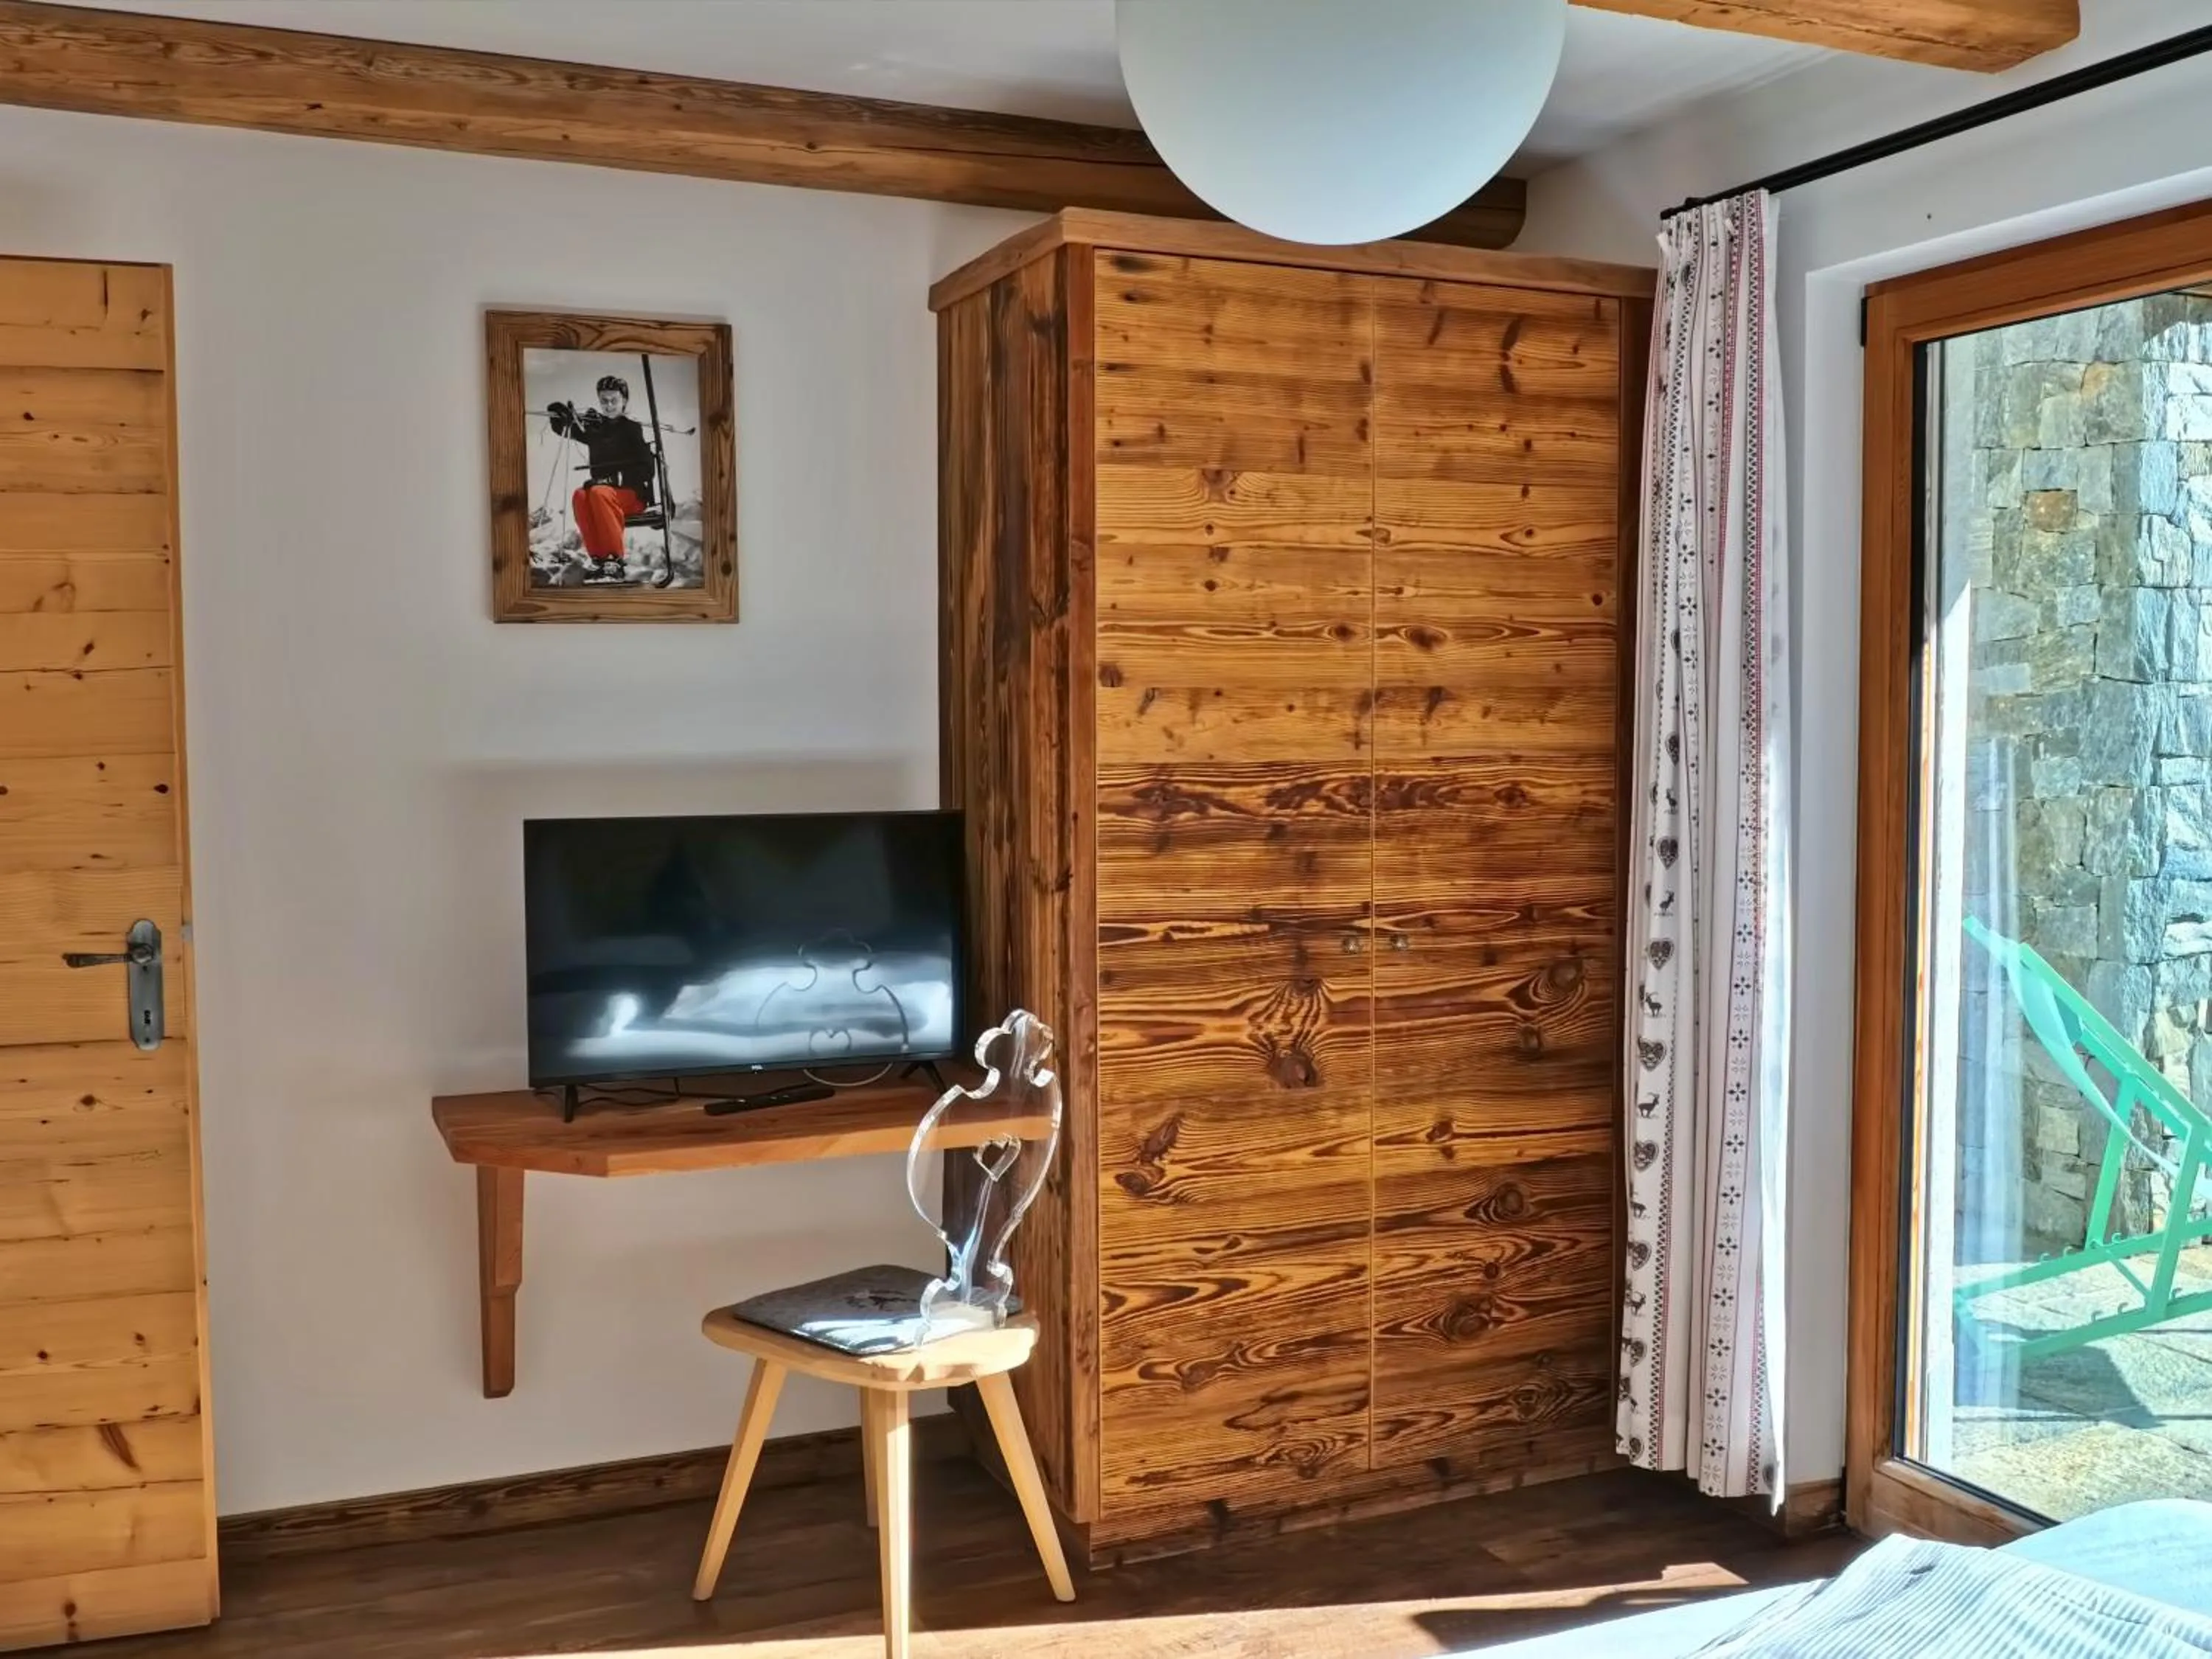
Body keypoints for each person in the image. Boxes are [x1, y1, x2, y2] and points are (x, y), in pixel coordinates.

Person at [546, 375, 657, 581]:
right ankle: (598, 559)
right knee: (580, 495)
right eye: (604, 401)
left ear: (624, 400)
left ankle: (613, 560)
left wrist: (617, 477)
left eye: (614, 400)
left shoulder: (631, 429)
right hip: (604, 495)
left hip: (632, 495)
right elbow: (568, 430)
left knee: (599, 492)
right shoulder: (596, 428)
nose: (609, 405)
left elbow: (647, 469)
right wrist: (559, 414)